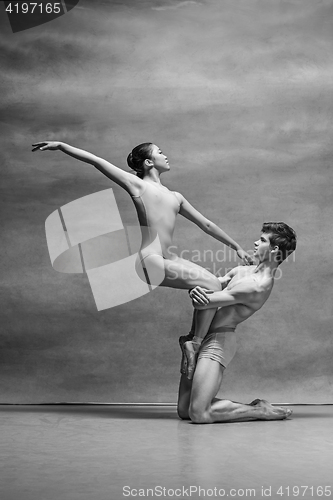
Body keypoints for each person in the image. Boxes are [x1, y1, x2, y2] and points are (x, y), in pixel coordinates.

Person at [32, 140, 252, 351]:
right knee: (212, 285)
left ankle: (192, 339)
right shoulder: (137, 185)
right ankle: (194, 341)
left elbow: (206, 224)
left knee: (213, 285)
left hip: (170, 259)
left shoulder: (176, 197)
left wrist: (236, 247)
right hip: (150, 261)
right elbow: (97, 161)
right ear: (148, 162)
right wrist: (62, 146)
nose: (165, 155)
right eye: (160, 152)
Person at [177, 222, 296, 423]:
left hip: (218, 341)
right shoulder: (243, 271)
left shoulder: (258, 286)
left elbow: (205, 301)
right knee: (184, 410)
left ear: (275, 249)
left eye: (263, 240)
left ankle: (259, 410)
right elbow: (213, 284)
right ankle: (237, 406)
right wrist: (197, 288)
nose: (256, 242)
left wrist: (194, 289)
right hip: (199, 336)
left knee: (199, 414)